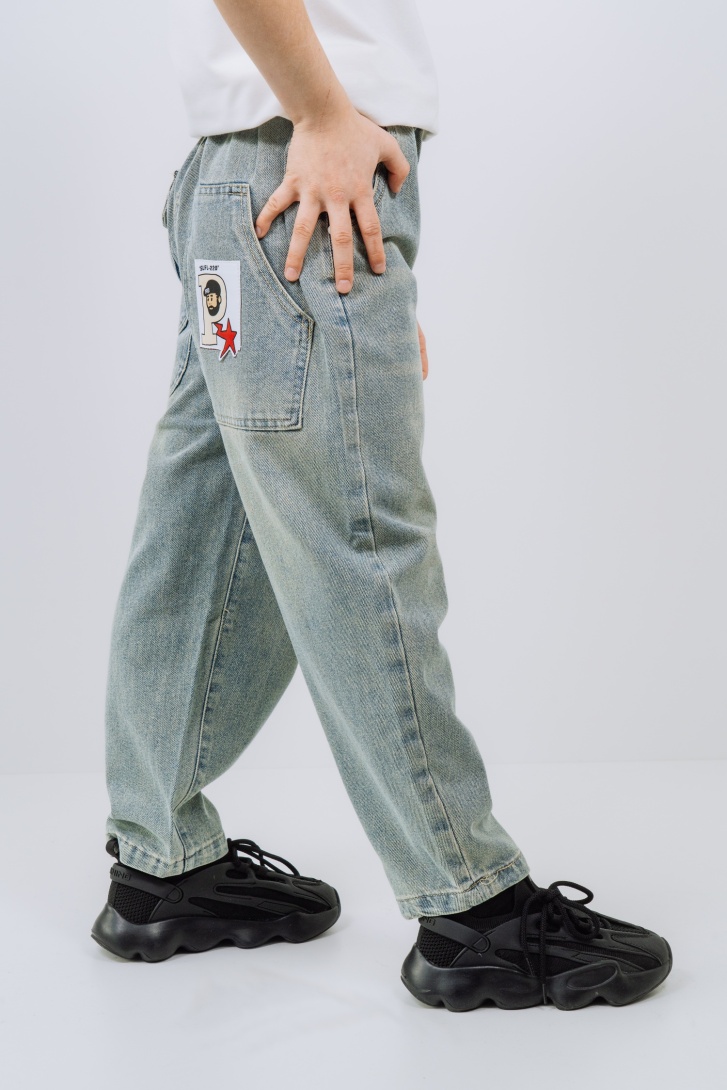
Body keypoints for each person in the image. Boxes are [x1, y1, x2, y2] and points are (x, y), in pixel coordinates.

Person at [91, 0, 672, 1010]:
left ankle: (160, 866)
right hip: (302, 166)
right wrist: (323, 114)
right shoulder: (313, 122)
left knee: (204, 520)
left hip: (251, 183)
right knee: (360, 535)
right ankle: (472, 908)